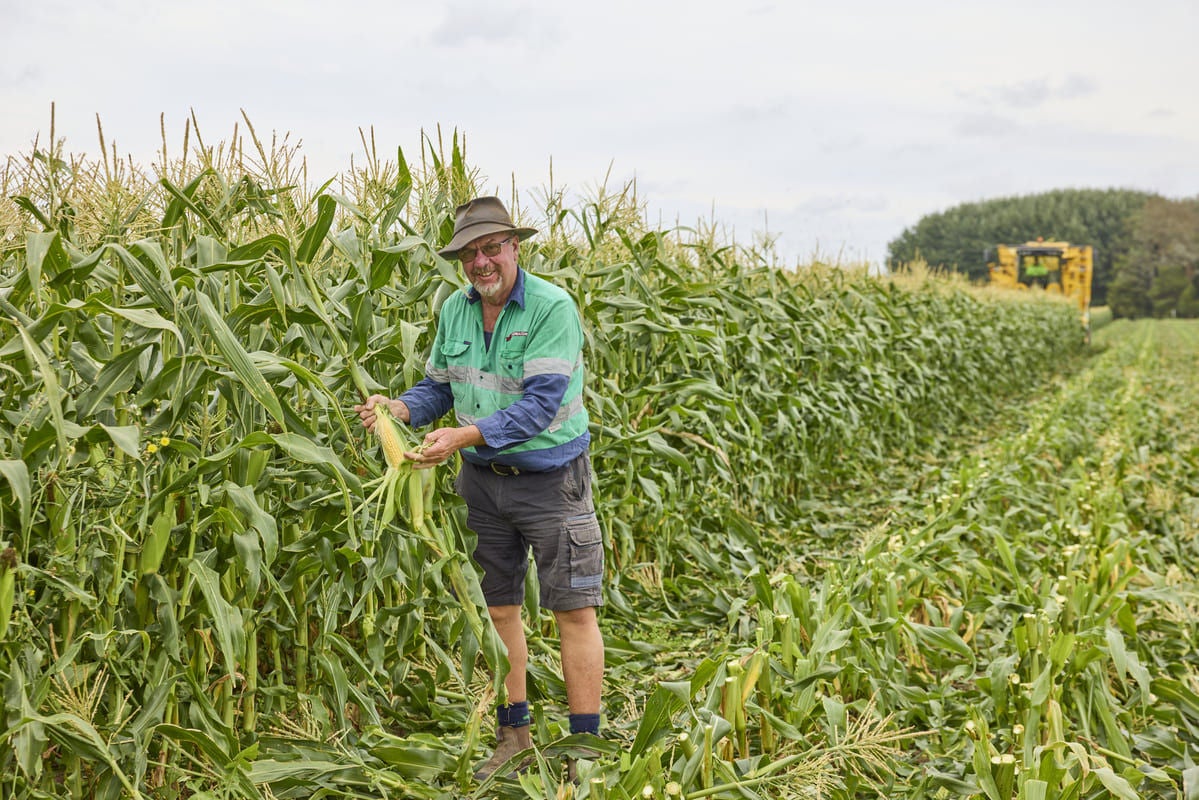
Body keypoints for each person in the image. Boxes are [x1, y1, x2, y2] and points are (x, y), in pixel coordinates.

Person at [354, 196, 604, 782]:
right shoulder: (455, 312)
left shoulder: (551, 308)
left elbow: (542, 405)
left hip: (551, 483)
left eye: (492, 247)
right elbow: (438, 387)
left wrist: (465, 436)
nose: (482, 262)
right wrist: (401, 410)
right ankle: (513, 734)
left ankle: (585, 751)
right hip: (484, 486)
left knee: (573, 610)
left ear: (515, 246)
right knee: (498, 609)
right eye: (470, 253)